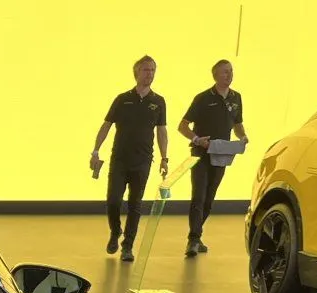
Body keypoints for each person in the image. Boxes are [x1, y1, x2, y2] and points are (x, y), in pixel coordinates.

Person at [90, 56, 169, 262]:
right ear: (136, 73)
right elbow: (106, 125)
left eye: (152, 70)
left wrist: (164, 158)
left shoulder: (158, 102)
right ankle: (115, 231)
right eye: (145, 70)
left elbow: (161, 131)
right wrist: (96, 151)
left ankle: (128, 246)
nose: (149, 74)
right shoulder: (122, 99)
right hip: (120, 159)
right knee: (113, 200)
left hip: (143, 161)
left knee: (135, 204)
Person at [178, 59, 247, 257]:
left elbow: (237, 124)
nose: (229, 75)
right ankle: (193, 239)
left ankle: (197, 236)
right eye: (225, 72)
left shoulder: (236, 98)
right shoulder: (202, 98)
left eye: (231, 71)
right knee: (198, 196)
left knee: (209, 199)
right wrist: (197, 139)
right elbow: (183, 126)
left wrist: (243, 137)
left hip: (221, 153)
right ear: (215, 75)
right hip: (200, 153)